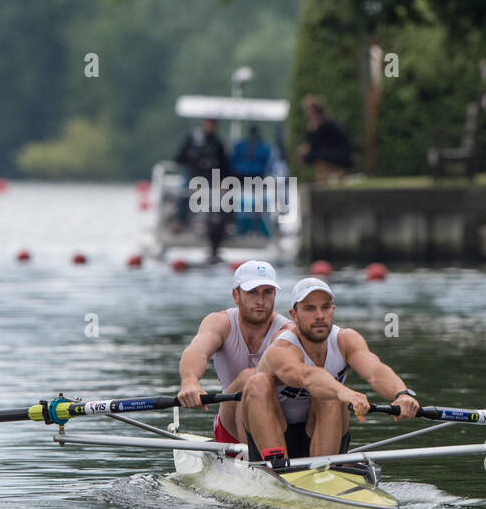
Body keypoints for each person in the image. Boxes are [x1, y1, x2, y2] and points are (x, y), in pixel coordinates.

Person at [240, 277, 420, 464]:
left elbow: (375, 371)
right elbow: (307, 377)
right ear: (294, 315)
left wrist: (402, 394)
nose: (319, 316)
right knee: (257, 383)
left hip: (323, 430)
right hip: (273, 432)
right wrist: (344, 392)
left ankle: (324, 471)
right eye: (310, 309)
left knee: (330, 395)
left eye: (325, 307)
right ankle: (275, 466)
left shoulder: (346, 339)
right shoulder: (282, 348)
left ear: (332, 310)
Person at [177, 260, 291, 447]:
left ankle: (268, 458)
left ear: (275, 295)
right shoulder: (220, 322)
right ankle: (255, 458)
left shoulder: (286, 329)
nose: (261, 301)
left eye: (267, 292)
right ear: (236, 295)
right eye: (252, 292)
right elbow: (197, 350)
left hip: (278, 422)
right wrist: (190, 381)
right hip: (230, 425)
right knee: (250, 377)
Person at [173, 118, 233, 262]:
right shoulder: (193, 140)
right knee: (183, 193)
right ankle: (179, 220)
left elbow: (224, 166)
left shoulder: (217, 143)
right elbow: (179, 159)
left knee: (221, 200)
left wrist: (223, 182)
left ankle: (226, 227)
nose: (210, 127)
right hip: (194, 179)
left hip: (211, 181)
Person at [295, 95, 352, 183]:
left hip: (338, 153)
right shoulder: (316, 124)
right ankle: (326, 175)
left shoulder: (326, 124)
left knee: (312, 156)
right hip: (331, 151)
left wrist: (307, 149)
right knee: (309, 155)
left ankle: (328, 175)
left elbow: (323, 144)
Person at [231, 126, 272, 237]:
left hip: (257, 180)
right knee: (242, 207)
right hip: (240, 180)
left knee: (258, 206)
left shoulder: (263, 148)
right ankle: (242, 231)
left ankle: (257, 231)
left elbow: (268, 166)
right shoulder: (241, 147)